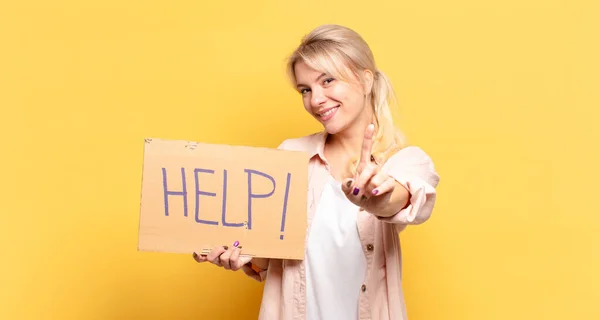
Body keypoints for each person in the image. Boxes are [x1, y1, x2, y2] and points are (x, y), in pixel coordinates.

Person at [192, 24, 440, 320]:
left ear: (365, 80)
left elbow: (398, 200)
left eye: (328, 81)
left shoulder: (405, 160)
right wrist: (239, 254)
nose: (316, 100)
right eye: (305, 90)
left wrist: (374, 197)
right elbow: (269, 253)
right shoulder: (290, 156)